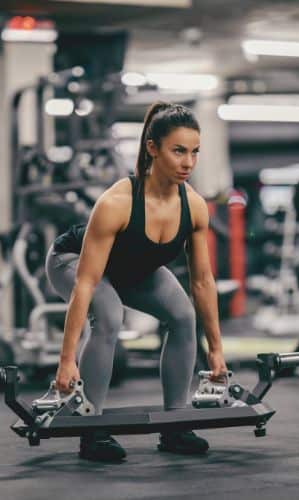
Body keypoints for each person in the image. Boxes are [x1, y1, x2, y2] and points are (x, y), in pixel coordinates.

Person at [45, 102, 229, 462]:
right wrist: (66, 361)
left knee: (182, 316)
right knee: (110, 315)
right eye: (178, 151)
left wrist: (217, 350)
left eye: (194, 152)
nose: (188, 162)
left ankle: (175, 424)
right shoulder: (117, 203)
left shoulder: (193, 206)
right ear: (152, 149)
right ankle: (91, 427)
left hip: (132, 268)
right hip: (71, 261)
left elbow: (203, 281)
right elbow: (86, 283)